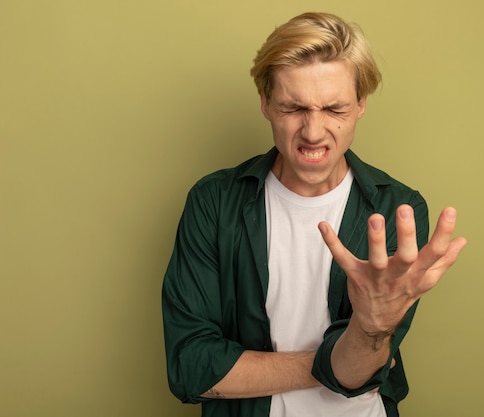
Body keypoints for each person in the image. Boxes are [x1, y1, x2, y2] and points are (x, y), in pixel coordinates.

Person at [162, 11, 466, 417]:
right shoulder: (214, 202)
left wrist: (372, 332)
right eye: (293, 108)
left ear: (360, 105)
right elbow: (191, 369)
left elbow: (358, 372)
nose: (313, 132)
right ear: (266, 104)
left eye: (334, 109)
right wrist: (339, 360)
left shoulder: (398, 211)